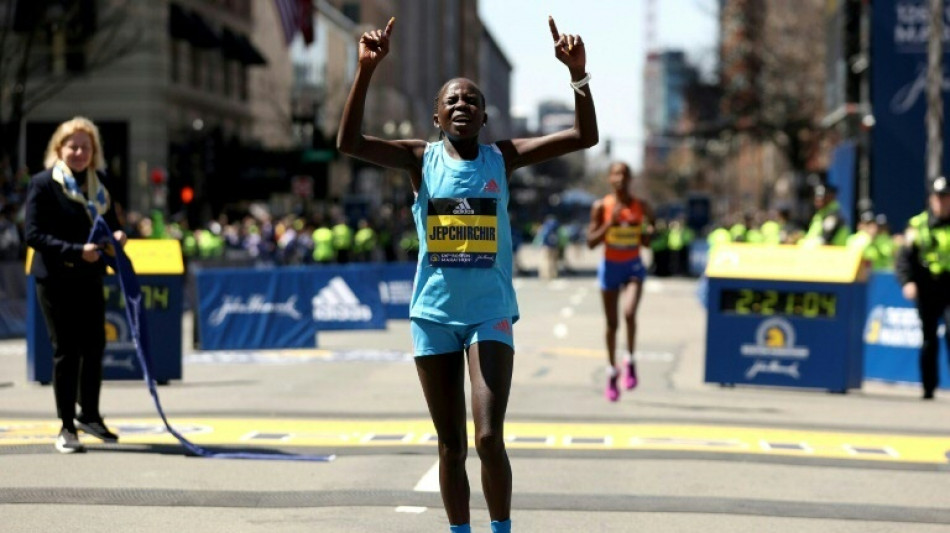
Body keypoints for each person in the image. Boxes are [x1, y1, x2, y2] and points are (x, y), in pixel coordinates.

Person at [336, 16, 597, 533]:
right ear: (437, 116)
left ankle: (501, 527)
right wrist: (366, 71)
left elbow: (583, 136)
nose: (462, 105)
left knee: (487, 438)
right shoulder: (420, 160)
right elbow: (348, 142)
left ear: (484, 118)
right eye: (452, 100)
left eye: (471, 101)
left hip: (489, 313)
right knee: (450, 444)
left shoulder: (503, 158)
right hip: (432, 315)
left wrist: (578, 77)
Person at [24, 117, 127, 453]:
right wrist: (75, 251)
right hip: (55, 277)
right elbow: (33, 235)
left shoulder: (101, 184)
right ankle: (67, 427)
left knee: (95, 346)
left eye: (86, 146)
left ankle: (90, 415)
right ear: (59, 149)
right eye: (73, 146)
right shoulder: (43, 183)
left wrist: (118, 237)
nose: (80, 152)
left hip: (90, 276)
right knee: (66, 350)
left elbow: (110, 224)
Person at [586, 162, 653, 402]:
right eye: (615, 174)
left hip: (633, 266)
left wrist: (648, 232)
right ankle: (612, 371)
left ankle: (631, 360)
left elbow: (647, 242)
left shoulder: (641, 206)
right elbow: (591, 242)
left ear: (631, 178)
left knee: (629, 312)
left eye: (624, 174)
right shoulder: (601, 206)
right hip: (610, 268)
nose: (620, 178)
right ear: (609, 179)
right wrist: (609, 223)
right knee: (612, 324)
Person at [895, 176, 950, 400]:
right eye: (939, 198)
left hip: (949, 286)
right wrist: (907, 281)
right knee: (928, 338)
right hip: (927, 287)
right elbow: (904, 258)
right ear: (931, 200)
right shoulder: (917, 225)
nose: (942, 203)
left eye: (946, 198)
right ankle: (928, 387)